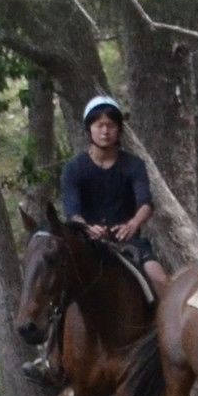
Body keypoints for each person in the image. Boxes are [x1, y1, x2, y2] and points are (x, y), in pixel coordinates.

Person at [53, 95, 163, 275]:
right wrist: (87, 228)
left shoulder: (134, 165)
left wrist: (133, 224)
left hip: (129, 243)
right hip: (88, 245)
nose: (105, 131)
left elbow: (146, 203)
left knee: (159, 278)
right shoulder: (73, 169)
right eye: (99, 125)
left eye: (110, 125)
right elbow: (72, 212)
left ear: (119, 129)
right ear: (89, 129)